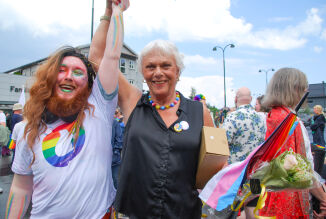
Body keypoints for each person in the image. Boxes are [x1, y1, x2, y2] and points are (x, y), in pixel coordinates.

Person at [5, 0, 129, 218]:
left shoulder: (99, 108)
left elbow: (111, 55)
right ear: (50, 79)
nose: (69, 76)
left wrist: (115, 10)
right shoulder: (29, 129)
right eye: (61, 70)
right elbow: (21, 188)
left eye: (78, 72)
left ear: (90, 85)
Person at [89, 27, 214, 218]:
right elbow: (97, 58)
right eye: (150, 67)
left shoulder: (200, 112)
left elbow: (216, 161)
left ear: (178, 72)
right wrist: (109, 13)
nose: (158, 73)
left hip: (184, 212)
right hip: (135, 212)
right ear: (143, 73)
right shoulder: (132, 101)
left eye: (165, 66)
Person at [261, 67, 326, 218]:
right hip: (287, 204)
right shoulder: (291, 122)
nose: (305, 92)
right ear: (295, 90)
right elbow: (299, 170)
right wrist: (323, 198)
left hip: (267, 201)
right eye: (304, 88)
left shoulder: (269, 117)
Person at [221, 87, 266, 219]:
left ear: (236, 99)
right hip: (255, 171)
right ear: (251, 99)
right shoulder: (260, 117)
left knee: (234, 208)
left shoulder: (232, 117)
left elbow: (223, 143)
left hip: (236, 172)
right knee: (253, 205)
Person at [309, 105, 326, 175]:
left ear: (318, 110)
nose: (313, 110)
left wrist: (311, 122)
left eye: (315, 109)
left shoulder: (320, 118)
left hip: (319, 137)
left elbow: (313, 126)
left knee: (320, 149)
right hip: (317, 137)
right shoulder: (317, 117)